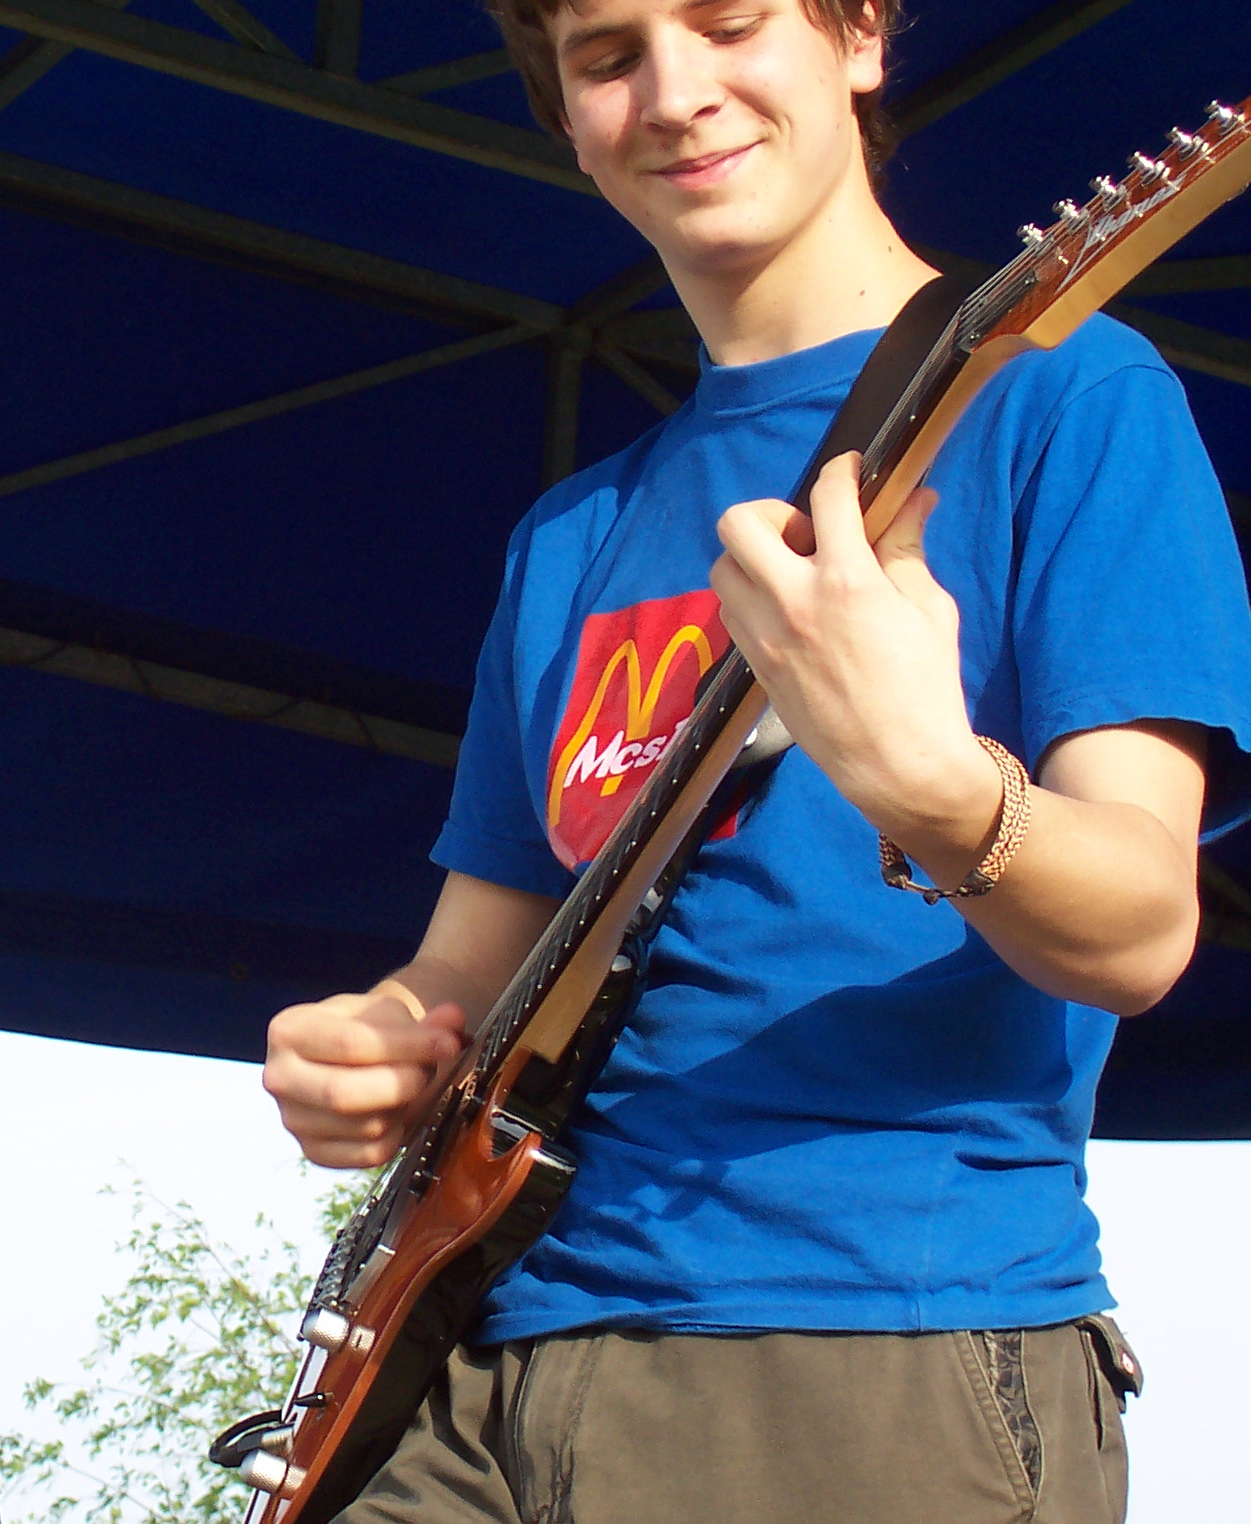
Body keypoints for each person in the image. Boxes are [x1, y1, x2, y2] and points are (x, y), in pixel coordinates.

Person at [261, 3, 1251, 1521]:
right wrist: (376, 1044)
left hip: (869, 1341)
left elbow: (1138, 928)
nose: (674, 93)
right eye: (607, 59)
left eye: (727, 22)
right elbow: (465, 969)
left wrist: (933, 787)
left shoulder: (1069, 400)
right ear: (568, 125)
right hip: (487, 1359)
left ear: (859, 36)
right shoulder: (573, 533)